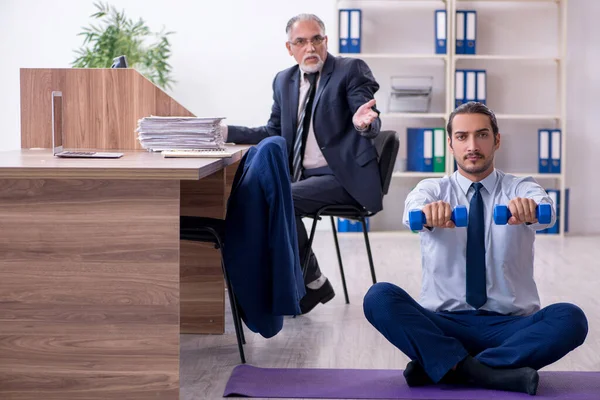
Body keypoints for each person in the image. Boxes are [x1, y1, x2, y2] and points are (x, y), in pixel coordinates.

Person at [363, 102, 588, 395]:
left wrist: (530, 209)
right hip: (445, 324)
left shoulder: (521, 187)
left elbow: (546, 208)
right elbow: (413, 212)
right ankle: (488, 373)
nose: (472, 145)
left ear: (496, 140)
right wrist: (429, 214)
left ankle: (446, 365)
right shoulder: (432, 189)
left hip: (509, 328)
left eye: (481, 135)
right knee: (379, 297)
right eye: (462, 137)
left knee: (571, 318)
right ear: (450, 143)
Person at [223, 14, 382, 314]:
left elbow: (367, 114)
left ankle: (306, 283)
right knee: (252, 195)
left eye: (316, 39)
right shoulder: (284, 80)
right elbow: (272, 132)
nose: (310, 47)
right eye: (301, 41)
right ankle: (301, 283)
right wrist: (226, 133)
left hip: (343, 177)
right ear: (289, 48)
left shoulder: (350, 70)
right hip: (303, 178)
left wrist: (365, 124)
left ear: (325, 41)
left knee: (284, 199)